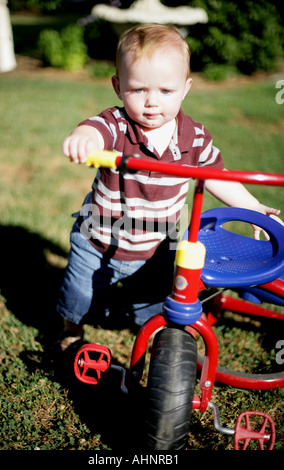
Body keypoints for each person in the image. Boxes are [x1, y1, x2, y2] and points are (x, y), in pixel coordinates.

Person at [57, 23, 281, 352]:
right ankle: (71, 331)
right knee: (80, 294)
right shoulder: (118, 125)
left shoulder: (194, 139)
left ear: (185, 89)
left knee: (150, 305)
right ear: (118, 87)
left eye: (165, 91)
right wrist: (84, 139)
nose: (151, 103)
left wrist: (253, 207)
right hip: (98, 241)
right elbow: (95, 128)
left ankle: (154, 335)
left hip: (156, 246)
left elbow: (217, 176)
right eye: (139, 90)